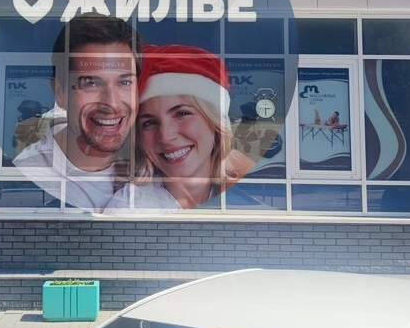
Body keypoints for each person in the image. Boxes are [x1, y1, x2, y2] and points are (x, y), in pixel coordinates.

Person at [13, 13, 142, 213]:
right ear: (59, 92)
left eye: (124, 82)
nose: (112, 103)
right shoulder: (30, 176)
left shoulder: (156, 162)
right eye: (90, 83)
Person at [104, 45, 253, 215]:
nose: (165, 136)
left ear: (214, 122)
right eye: (149, 123)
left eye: (181, 114)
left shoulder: (251, 196)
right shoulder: (129, 209)